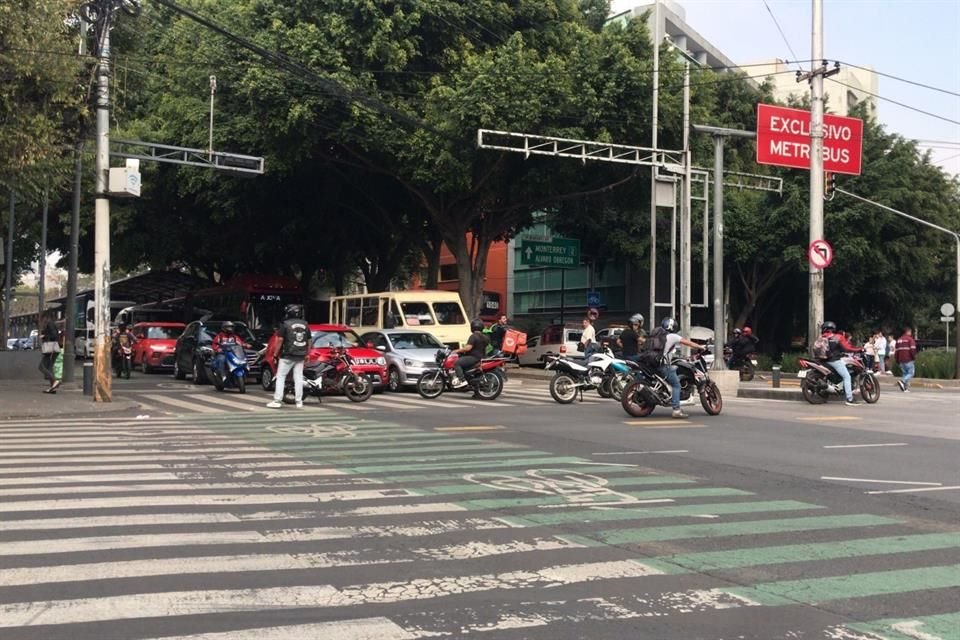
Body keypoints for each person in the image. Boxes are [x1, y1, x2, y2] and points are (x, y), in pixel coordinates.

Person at [649, 317, 704, 419]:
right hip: (663, 365)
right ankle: (676, 410)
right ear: (673, 326)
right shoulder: (673, 336)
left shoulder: (656, 336)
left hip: (652, 364)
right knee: (676, 385)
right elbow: (688, 343)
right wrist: (700, 347)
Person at [267, 305, 310, 408]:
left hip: (287, 355)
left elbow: (280, 340)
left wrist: (275, 353)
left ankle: (277, 400)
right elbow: (309, 340)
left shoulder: (285, 324)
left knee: (281, 376)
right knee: (298, 378)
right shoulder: (305, 324)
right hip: (300, 355)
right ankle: (299, 401)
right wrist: (307, 354)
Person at [819, 321, 860, 406]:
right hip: (834, 361)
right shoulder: (838, 337)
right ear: (833, 328)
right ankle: (849, 399)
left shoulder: (821, 337)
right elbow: (847, 348)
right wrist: (859, 349)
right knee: (847, 377)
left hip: (822, 361)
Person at [452, 319, 489, 388]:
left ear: (472, 327)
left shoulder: (473, 336)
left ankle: (462, 380)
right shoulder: (485, 337)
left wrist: (457, 350)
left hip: (473, 357)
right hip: (482, 357)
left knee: (457, 363)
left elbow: (468, 348)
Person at [38, 311, 61, 393]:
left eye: (42, 318)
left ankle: (55, 381)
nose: (41, 320)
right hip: (53, 349)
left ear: (46, 317)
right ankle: (52, 388)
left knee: (41, 367)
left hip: (50, 349)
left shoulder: (50, 324)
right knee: (49, 367)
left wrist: (44, 336)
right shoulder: (52, 323)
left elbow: (54, 336)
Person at [895, 326, 917, 392]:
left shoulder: (899, 340)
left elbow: (896, 351)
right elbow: (913, 349)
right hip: (908, 359)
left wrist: (897, 360)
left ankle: (905, 388)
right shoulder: (910, 339)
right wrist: (914, 357)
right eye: (910, 332)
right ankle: (902, 381)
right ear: (908, 332)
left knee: (905, 374)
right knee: (911, 373)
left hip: (901, 360)